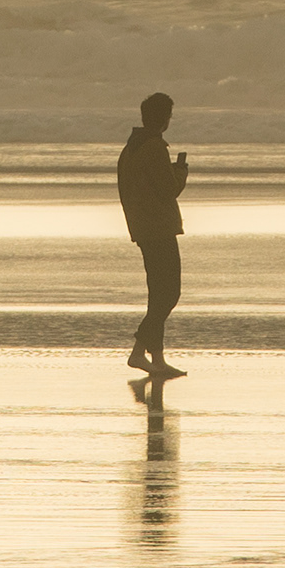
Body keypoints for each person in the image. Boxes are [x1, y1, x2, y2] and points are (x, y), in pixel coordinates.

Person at [117, 91, 191, 379]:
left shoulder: (131, 148)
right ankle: (138, 351)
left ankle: (157, 359)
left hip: (142, 228)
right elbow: (169, 188)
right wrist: (181, 171)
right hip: (159, 228)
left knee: (157, 294)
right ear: (164, 120)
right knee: (169, 293)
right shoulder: (154, 147)